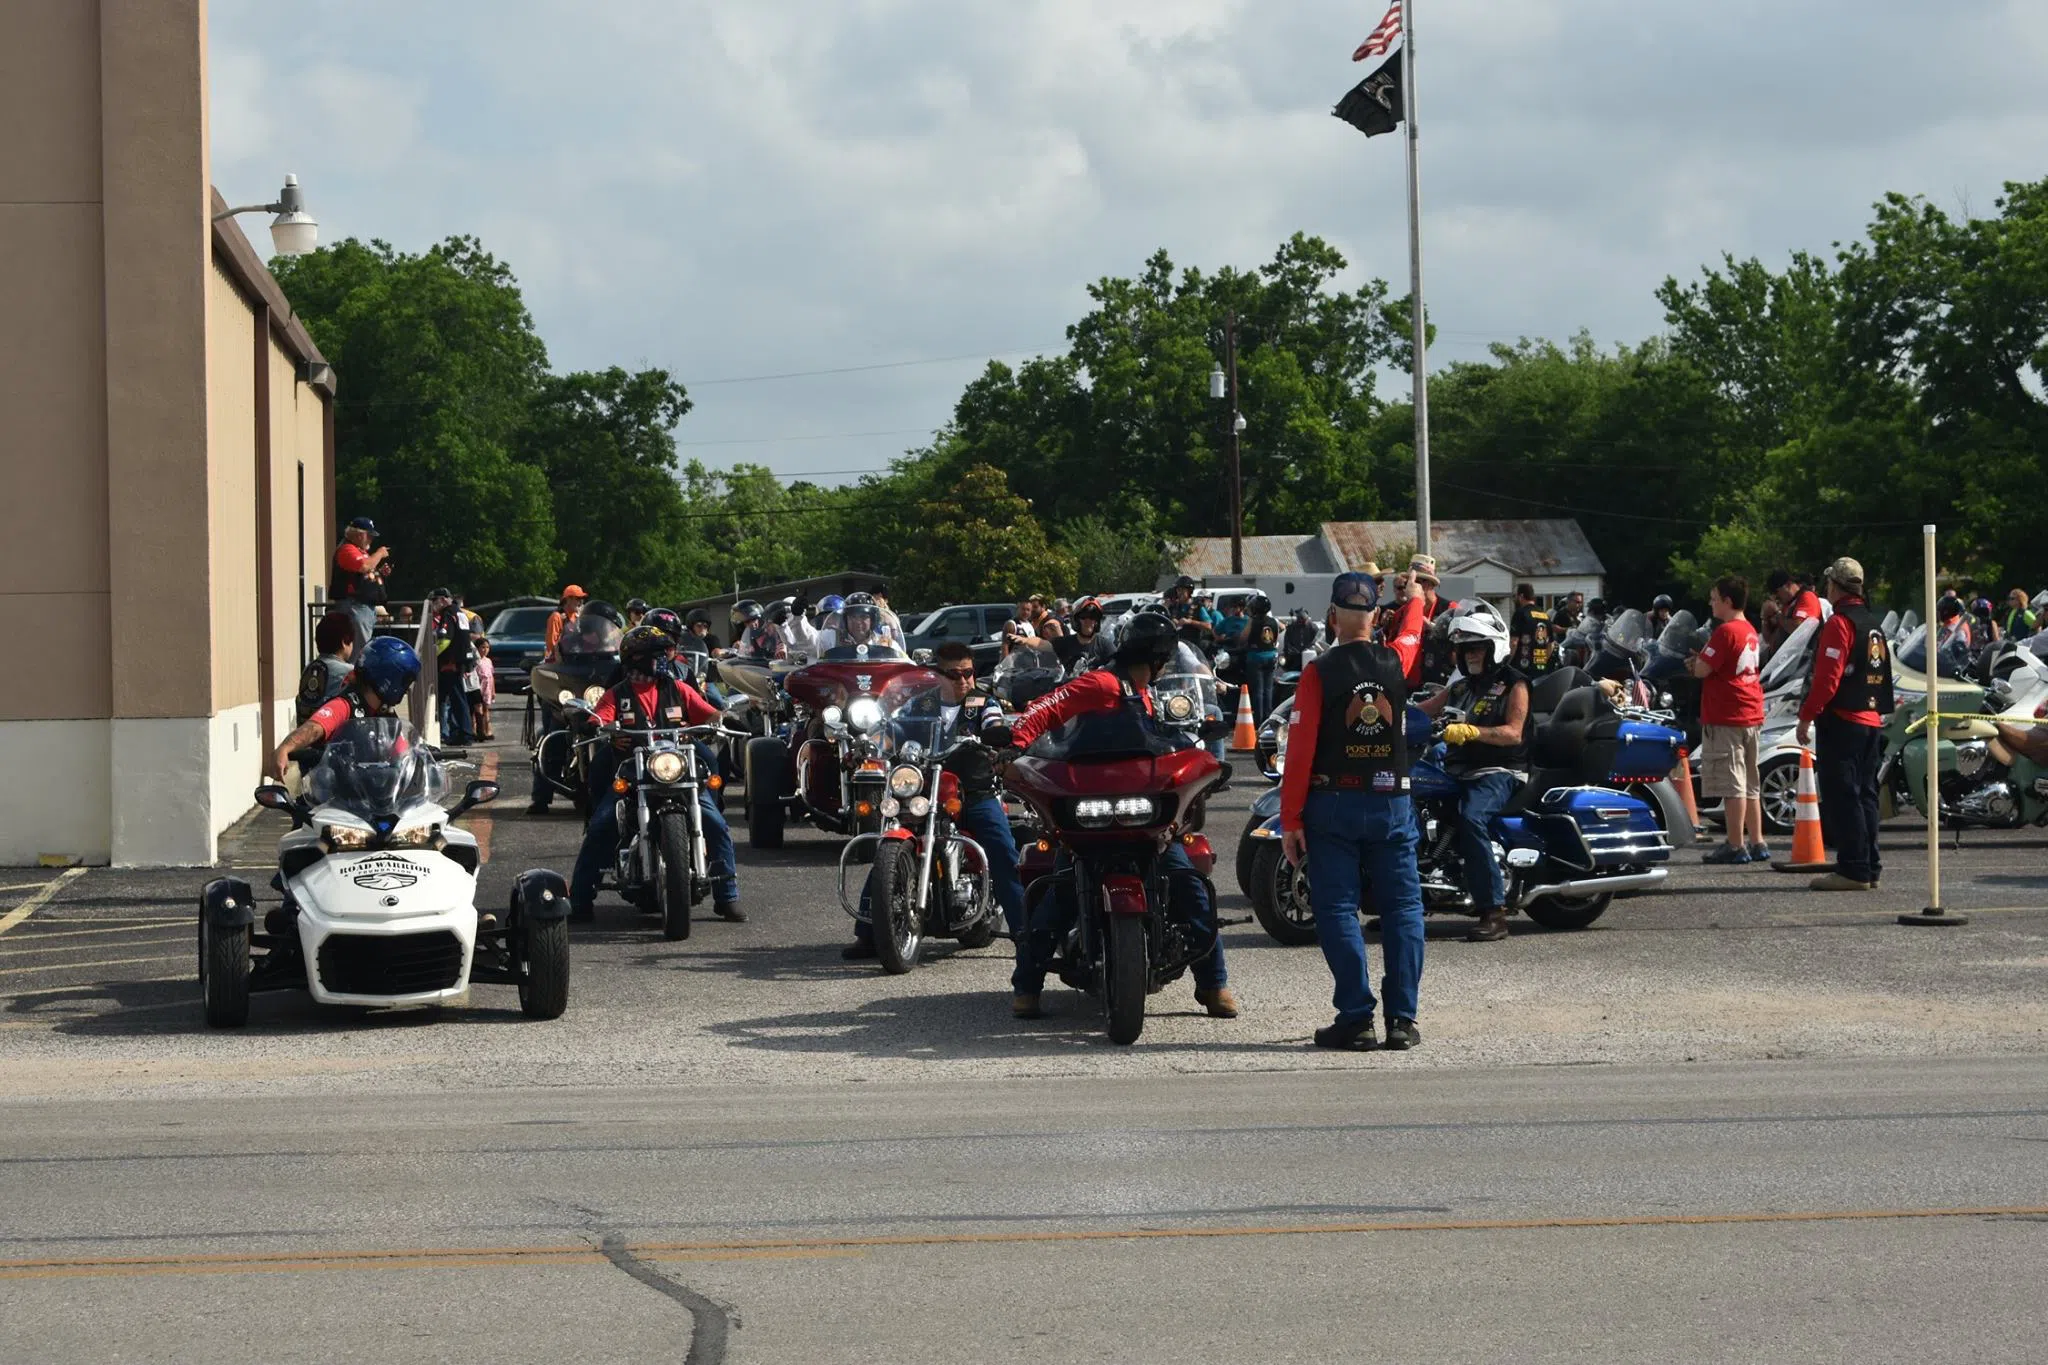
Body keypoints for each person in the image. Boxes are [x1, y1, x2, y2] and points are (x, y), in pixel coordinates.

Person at [1002, 611, 1238, 1022]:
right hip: (1091, 819)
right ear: (1158, 659)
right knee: (1059, 894)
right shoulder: (1102, 683)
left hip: (1144, 823)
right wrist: (1014, 743)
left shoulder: (1147, 695)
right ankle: (1027, 988)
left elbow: (1170, 744)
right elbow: (1046, 708)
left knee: (1189, 888)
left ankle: (1214, 985)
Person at [1281, 572, 1429, 1049]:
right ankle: (1402, 1020)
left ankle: (1356, 1018)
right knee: (1403, 908)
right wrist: (1415, 597)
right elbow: (1413, 632)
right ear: (1375, 616)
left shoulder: (1318, 672)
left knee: (1337, 908)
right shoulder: (1396, 660)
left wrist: (1290, 819)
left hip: (1333, 804)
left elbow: (1299, 751)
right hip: (1391, 803)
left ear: (1332, 616)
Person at [843, 641, 1025, 961]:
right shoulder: (920, 704)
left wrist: (996, 737)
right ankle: (869, 932)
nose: (964, 680)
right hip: (926, 791)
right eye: (954, 674)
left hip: (974, 793)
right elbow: (892, 729)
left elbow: (994, 723)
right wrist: (867, 746)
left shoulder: (983, 702)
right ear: (937, 675)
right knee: (889, 847)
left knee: (1002, 852)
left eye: (968, 673)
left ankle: (1025, 935)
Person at [568, 625, 742, 922]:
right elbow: (598, 718)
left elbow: (708, 713)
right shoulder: (617, 694)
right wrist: (599, 727)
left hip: (679, 771)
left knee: (715, 822)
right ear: (636, 658)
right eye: (657, 654)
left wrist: (723, 718)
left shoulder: (678, 689)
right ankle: (580, 898)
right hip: (632, 776)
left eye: (665, 653)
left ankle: (727, 896)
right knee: (602, 824)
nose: (664, 659)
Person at [1417, 611, 1529, 942]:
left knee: (1471, 817)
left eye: (1477, 648)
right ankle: (1408, 904)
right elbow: (1424, 710)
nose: (1470, 655)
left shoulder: (1515, 684)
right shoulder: (1460, 687)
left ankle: (1493, 911)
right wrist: (1385, 711)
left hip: (1499, 771)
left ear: (1494, 647)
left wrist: (1472, 732)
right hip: (1457, 770)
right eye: (1465, 649)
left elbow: (1514, 733)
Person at [1796, 558, 1894, 891]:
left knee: (1843, 796)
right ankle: (1870, 866)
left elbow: (1827, 680)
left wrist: (1807, 716)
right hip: (1871, 719)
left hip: (1844, 721)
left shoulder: (1840, 623)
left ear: (1835, 586)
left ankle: (1853, 869)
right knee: (1866, 795)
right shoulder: (1873, 623)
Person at [1690, 575, 1767, 865]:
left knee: (1732, 782)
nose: (1711, 603)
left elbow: (1702, 669)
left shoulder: (1725, 632)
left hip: (1727, 716)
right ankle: (1757, 841)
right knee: (1750, 782)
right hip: (1750, 712)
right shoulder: (1750, 630)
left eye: (1714, 598)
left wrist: (1695, 661)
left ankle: (1735, 844)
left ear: (1727, 601)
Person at [267, 637, 421, 781]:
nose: (406, 689)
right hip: (337, 794)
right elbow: (314, 727)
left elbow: (402, 752)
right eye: (405, 681)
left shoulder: (385, 713)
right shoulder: (345, 705)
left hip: (375, 794)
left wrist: (418, 755)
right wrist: (285, 748)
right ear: (388, 678)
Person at [329, 516, 391, 656]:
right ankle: (354, 671)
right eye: (369, 536)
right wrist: (380, 553)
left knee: (363, 650)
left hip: (363, 607)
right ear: (359, 535)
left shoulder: (359, 551)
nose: (371, 540)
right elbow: (364, 566)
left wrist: (380, 573)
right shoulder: (347, 549)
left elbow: (364, 574)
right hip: (354, 607)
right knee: (359, 653)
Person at [1406, 554, 1463, 687]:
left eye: (1416, 581)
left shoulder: (1450, 608)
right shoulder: (1406, 609)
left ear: (1428, 584)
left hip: (1439, 684)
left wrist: (1434, 628)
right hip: (1409, 683)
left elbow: (1460, 646)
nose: (1409, 585)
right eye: (1408, 581)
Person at [429, 588, 475, 746]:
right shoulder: (459, 612)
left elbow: (445, 639)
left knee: (457, 699)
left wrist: (431, 655)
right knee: (448, 698)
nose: (433, 605)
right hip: (460, 659)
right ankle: (456, 731)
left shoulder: (448, 613)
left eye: (434, 601)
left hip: (451, 662)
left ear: (442, 600)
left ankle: (465, 733)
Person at [295, 612, 358, 725]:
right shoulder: (350, 672)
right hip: (333, 732)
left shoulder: (309, 669)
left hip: (306, 729)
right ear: (344, 642)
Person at [1242, 593, 1282, 722]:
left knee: (1258, 691)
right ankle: (1268, 719)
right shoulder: (1274, 621)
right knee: (1268, 690)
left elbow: (1243, 638)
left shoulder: (1252, 621)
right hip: (1271, 656)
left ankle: (1259, 721)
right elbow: (1276, 639)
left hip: (1256, 657)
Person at [1509, 583, 1556, 675]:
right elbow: (1551, 645)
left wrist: (1508, 662)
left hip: (1521, 667)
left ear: (1521, 596)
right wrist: (1542, 661)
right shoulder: (1545, 615)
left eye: (1514, 596)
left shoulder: (1520, 613)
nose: (1513, 599)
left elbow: (1514, 642)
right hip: (1540, 667)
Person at [1053, 597, 1108, 674]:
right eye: (1084, 616)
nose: (1088, 621)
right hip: (1069, 681)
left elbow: (1118, 665)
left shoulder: (1104, 645)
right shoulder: (1061, 643)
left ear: (1097, 621)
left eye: (1093, 616)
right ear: (1076, 619)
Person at [543, 585, 586, 664]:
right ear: (568, 599)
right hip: (559, 663)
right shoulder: (557, 617)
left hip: (575, 660)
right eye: (578, 599)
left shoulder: (578, 617)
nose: (581, 602)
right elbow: (551, 645)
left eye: (582, 599)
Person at [469, 635, 497, 741]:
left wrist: (493, 690)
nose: (485, 650)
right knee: (477, 709)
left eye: (487, 647)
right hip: (478, 687)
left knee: (486, 709)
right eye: (483, 647)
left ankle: (487, 730)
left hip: (487, 688)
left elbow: (491, 676)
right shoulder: (476, 661)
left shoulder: (488, 661)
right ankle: (474, 730)